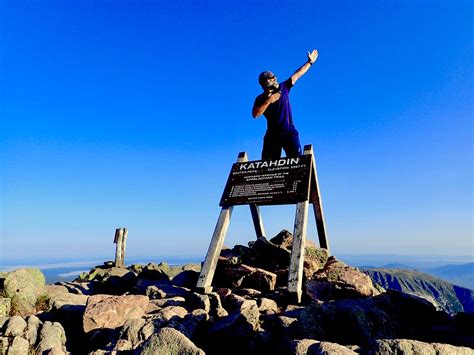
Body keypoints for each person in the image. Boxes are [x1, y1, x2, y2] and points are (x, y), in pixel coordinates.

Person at [252, 49, 318, 160]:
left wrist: (309, 63)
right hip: (272, 136)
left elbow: (298, 74)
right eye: (271, 78)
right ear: (264, 83)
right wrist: (268, 101)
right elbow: (255, 114)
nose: (275, 79)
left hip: (289, 132)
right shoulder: (260, 98)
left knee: (297, 164)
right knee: (268, 168)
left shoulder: (284, 87)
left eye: (274, 76)